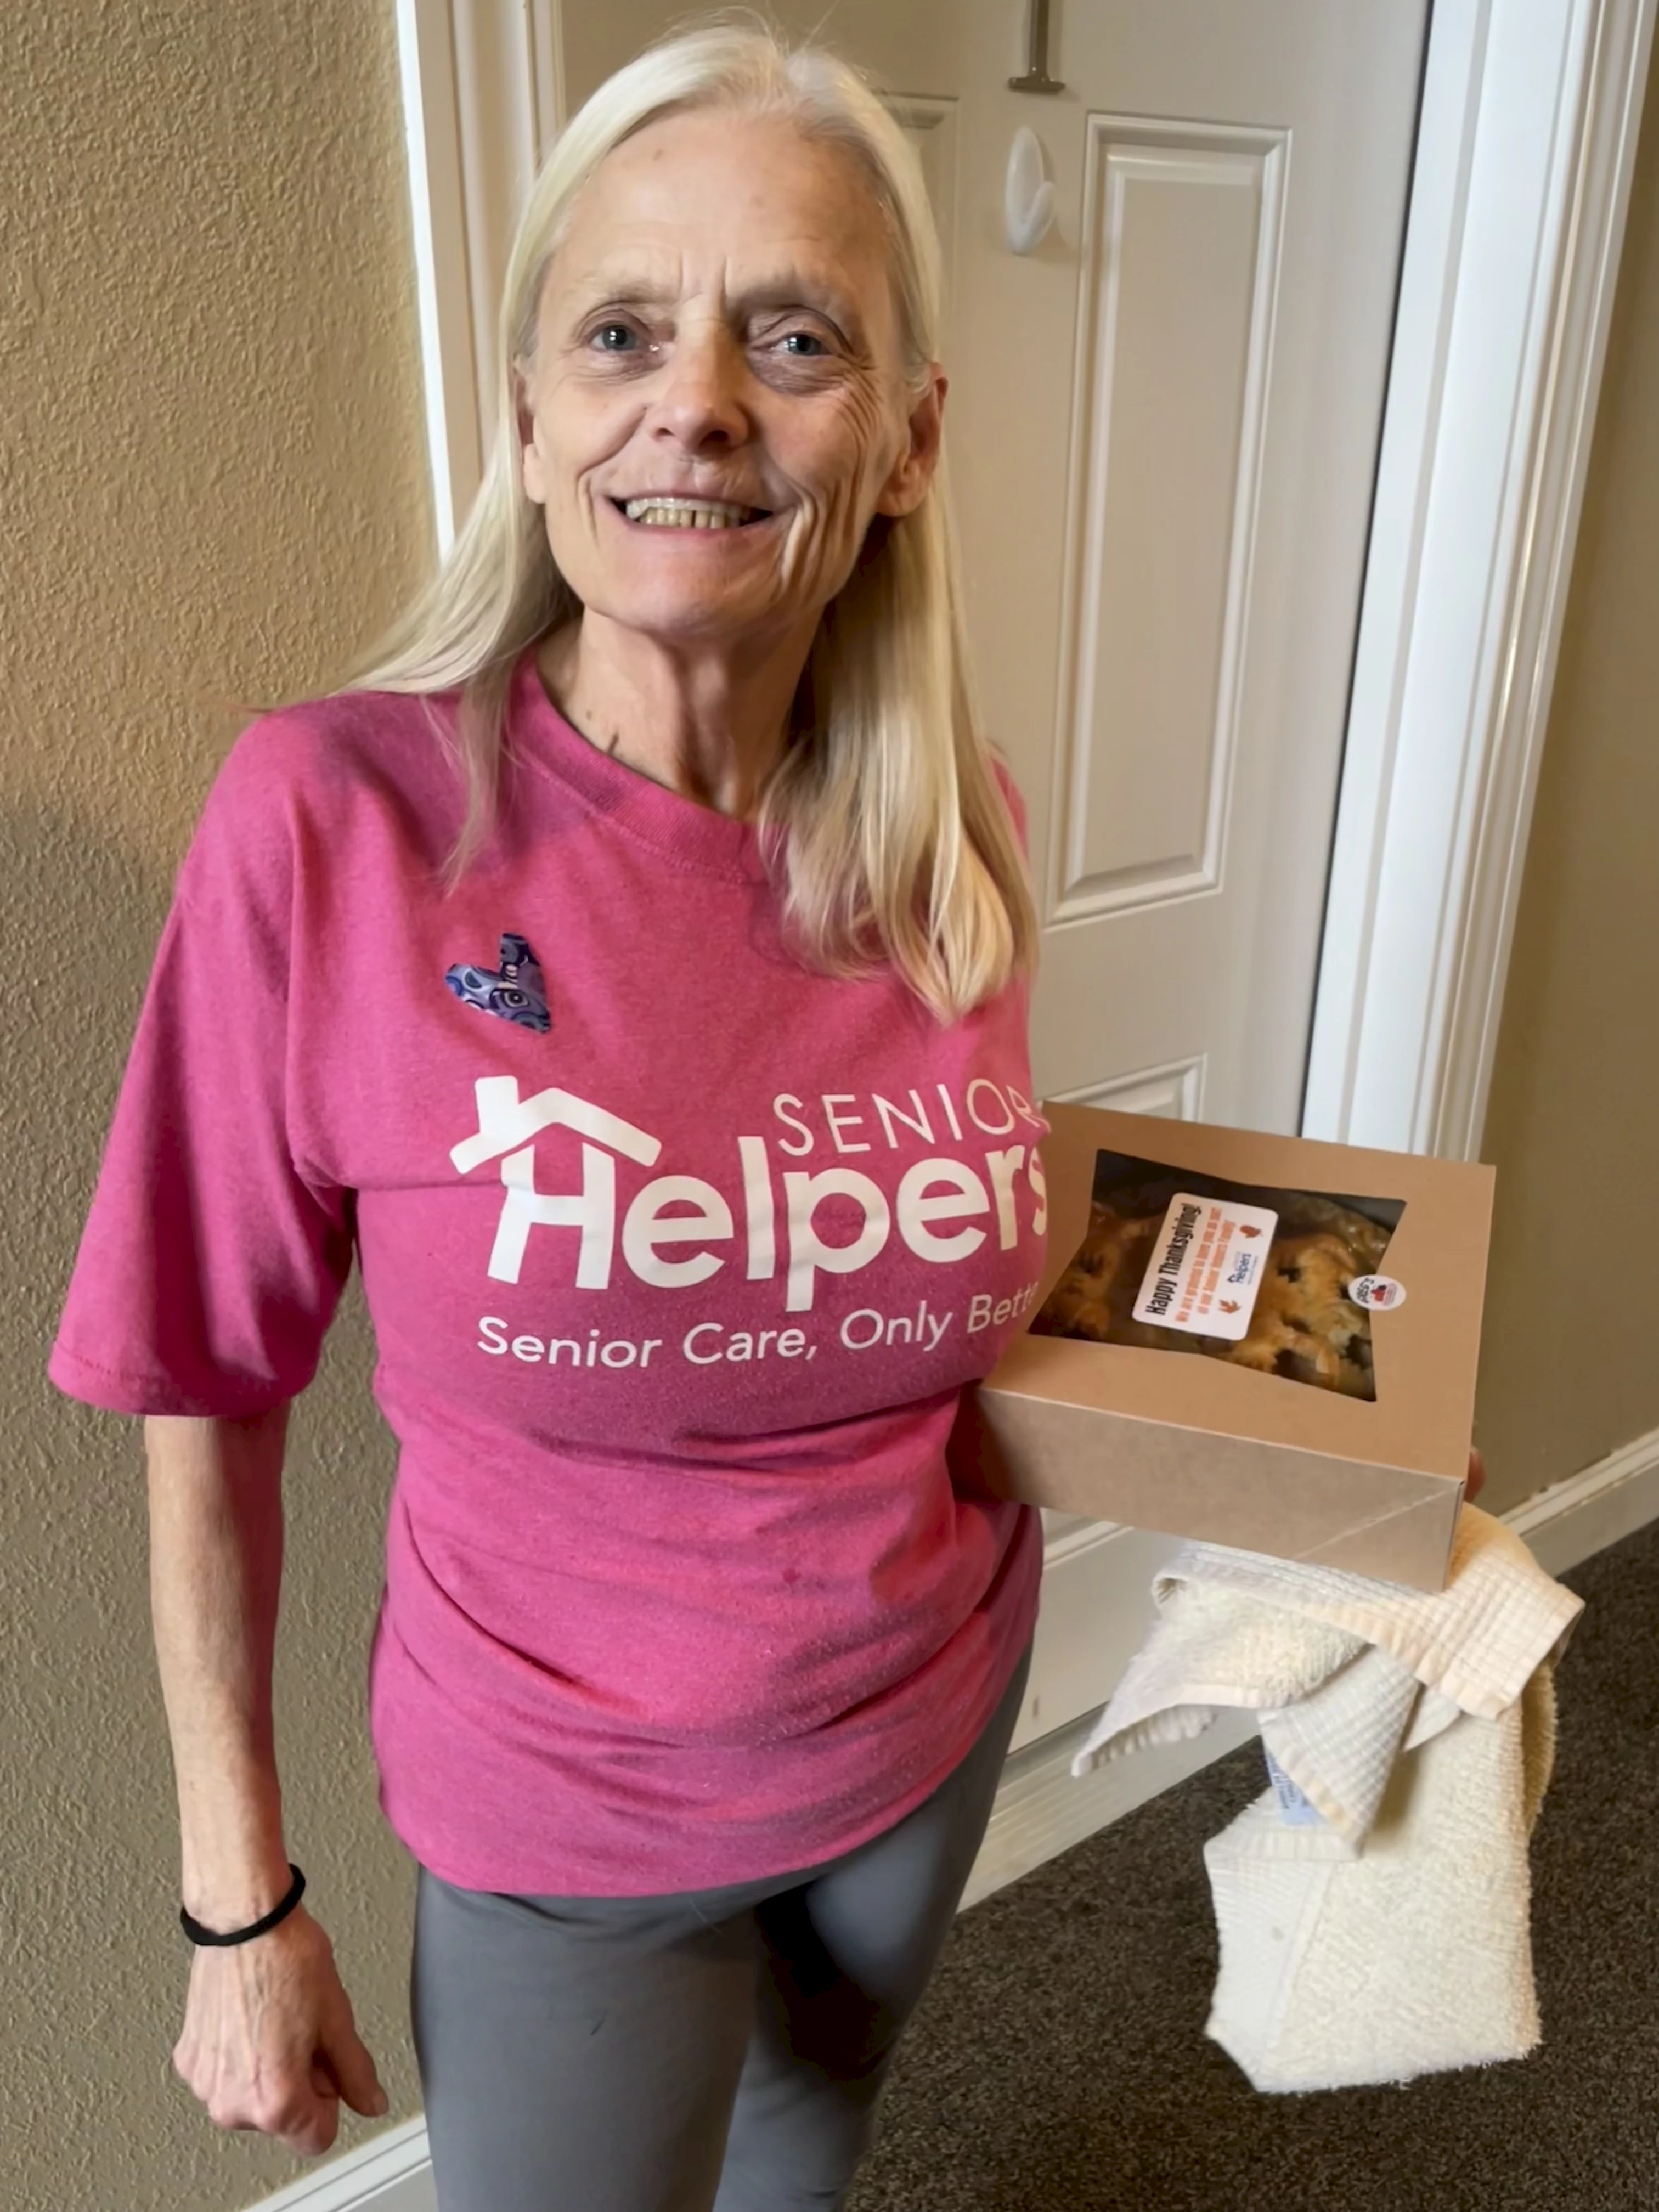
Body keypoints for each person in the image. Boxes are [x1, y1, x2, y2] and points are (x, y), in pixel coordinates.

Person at [49, 22, 1052, 2210]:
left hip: (933, 1715)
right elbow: (194, 1385)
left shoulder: (951, 837)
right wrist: (239, 1905)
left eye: (794, 337)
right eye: (622, 330)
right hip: (571, 1818)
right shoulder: (333, 823)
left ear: (901, 446)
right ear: (529, 417)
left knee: (809, 2167)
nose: (695, 399)